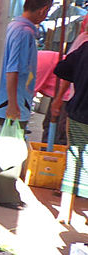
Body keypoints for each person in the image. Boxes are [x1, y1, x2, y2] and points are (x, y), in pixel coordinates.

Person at [0, 0, 54, 210]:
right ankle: (6, 195)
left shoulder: (13, 27)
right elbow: (13, 69)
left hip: (4, 99)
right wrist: (14, 104)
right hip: (10, 101)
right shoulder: (23, 32)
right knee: (10, 148)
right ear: (43, 9)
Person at [51, 35, 88, 223]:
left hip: (78, 114)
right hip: (80, 114)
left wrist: (58, 98)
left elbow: (63, 69)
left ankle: (64, 212)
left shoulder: (84, 48)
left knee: (74, 159)